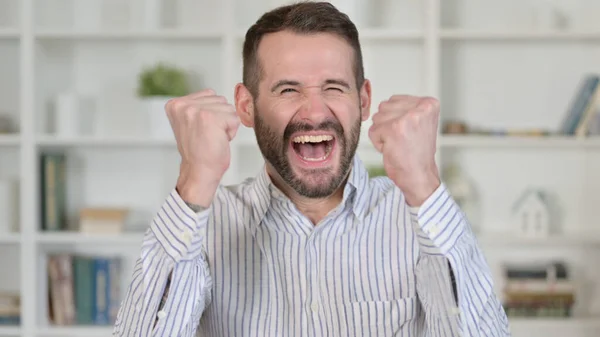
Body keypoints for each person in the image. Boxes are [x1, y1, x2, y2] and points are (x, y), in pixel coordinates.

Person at [113, 2, 511, 336]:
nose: (316, 112)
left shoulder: (415, 219)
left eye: (334, 87)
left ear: (364, 100)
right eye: (288, 90)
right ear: (247, 106)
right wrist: (194, 181)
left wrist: (425, 184)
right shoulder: (204, 221)